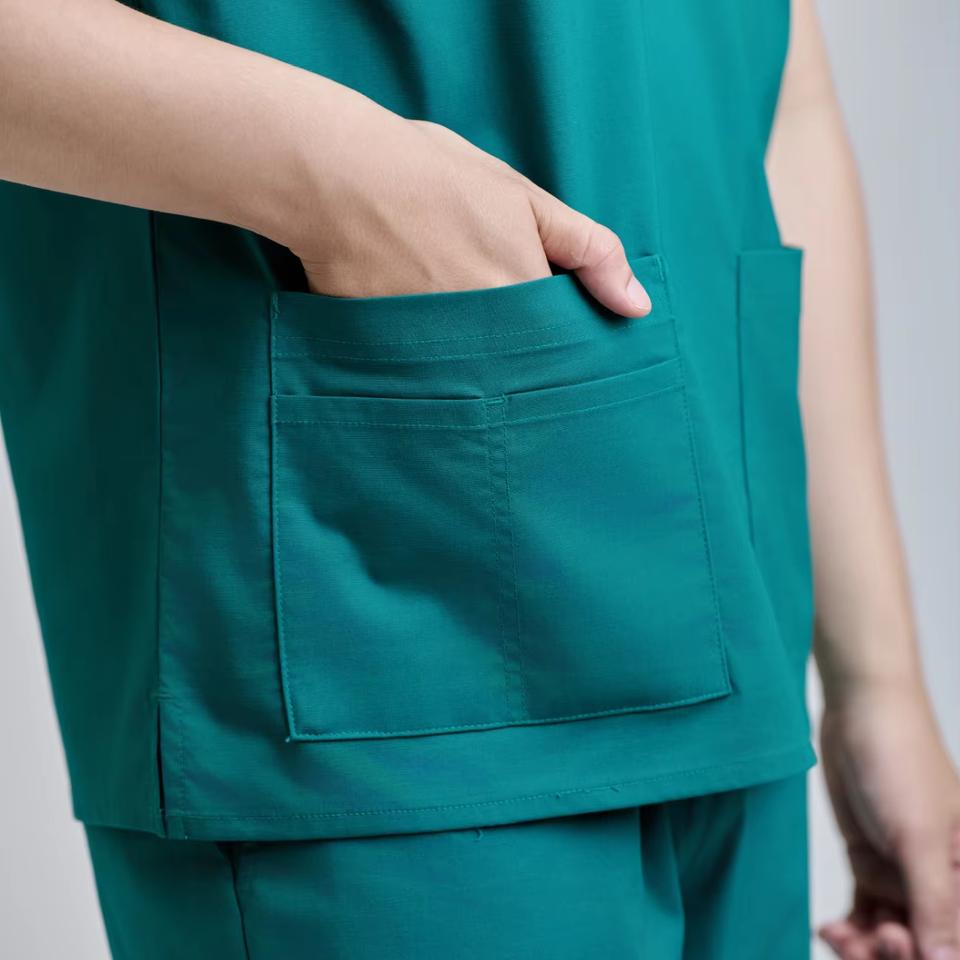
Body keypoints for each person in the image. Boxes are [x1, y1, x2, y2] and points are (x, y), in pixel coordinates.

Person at [0, 0, 956, 957]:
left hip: (739, 637)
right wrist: (344, 182)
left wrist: (877, 682)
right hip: (377, 657)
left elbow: (778, 85)